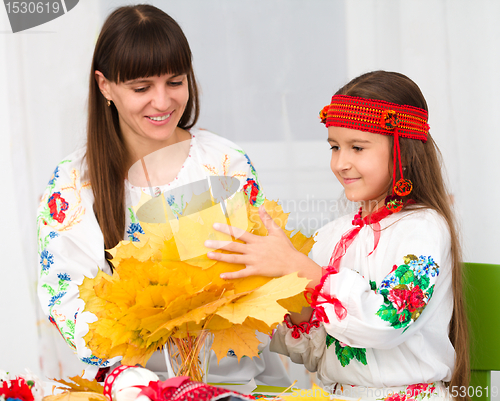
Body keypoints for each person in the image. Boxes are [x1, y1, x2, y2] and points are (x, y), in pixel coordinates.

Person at [36, 4, 290, 386]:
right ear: (105, 85)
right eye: (142, 88)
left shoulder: (224, 164)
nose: (163, 101)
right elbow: (66, 300)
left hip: (235, 384)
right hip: (134, 387)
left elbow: (264, 275)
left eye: (175, 82)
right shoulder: (73, 183)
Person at [206, 71, 468, 400]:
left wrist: (302, 268)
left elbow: (387, 322)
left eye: (357, 147)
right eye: (334, 147)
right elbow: (318, 354)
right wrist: (292, 290)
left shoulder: (423, 228)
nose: (341, 162)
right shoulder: (332, 235)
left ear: (403, 149)